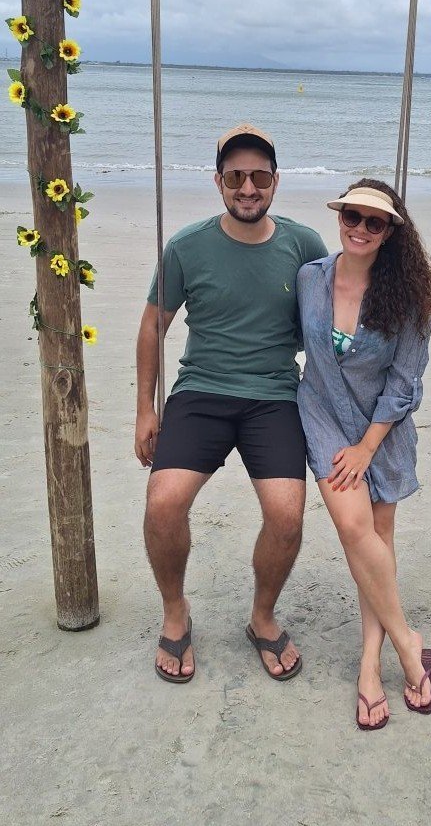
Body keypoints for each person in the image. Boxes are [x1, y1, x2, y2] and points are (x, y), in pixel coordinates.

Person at [135, 124, 326, 684]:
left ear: (275, 182)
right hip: (201, 391)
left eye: (259, 177)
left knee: (287, 515)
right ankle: (176, 611)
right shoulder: (186, 247)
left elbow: (335, 313)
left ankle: (262, 617)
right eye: (236, 176)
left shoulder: (304, 245)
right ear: (218, 181)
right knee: (163, 503)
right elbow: (153, 326)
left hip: (274, 395)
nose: (248, 187)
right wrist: (145, 409)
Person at [296, 179, 431, 729]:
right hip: (322, 415)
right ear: (339, 218)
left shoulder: (409, 299)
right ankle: (407, 645)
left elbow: (405, 383)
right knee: (355, 529)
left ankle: (368, 663)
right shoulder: (309, 278)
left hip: (382, 429)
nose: (359, 229)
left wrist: (366, 446)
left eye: (373, 222)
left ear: (390, 232)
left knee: (378, 541)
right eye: (351, 217)